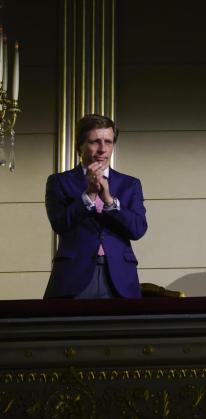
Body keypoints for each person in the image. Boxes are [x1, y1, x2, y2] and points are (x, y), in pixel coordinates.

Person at [44, 114, 148, 299]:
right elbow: (60, 224)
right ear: (80, 145)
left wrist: (109, 200)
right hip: (73, 275)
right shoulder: (59, 181)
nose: (102, 149)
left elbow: (138, 230)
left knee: (122, 329)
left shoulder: (130, 184)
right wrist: (90, 194)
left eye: (108, 142)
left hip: (119, 276)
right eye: (95, 142)